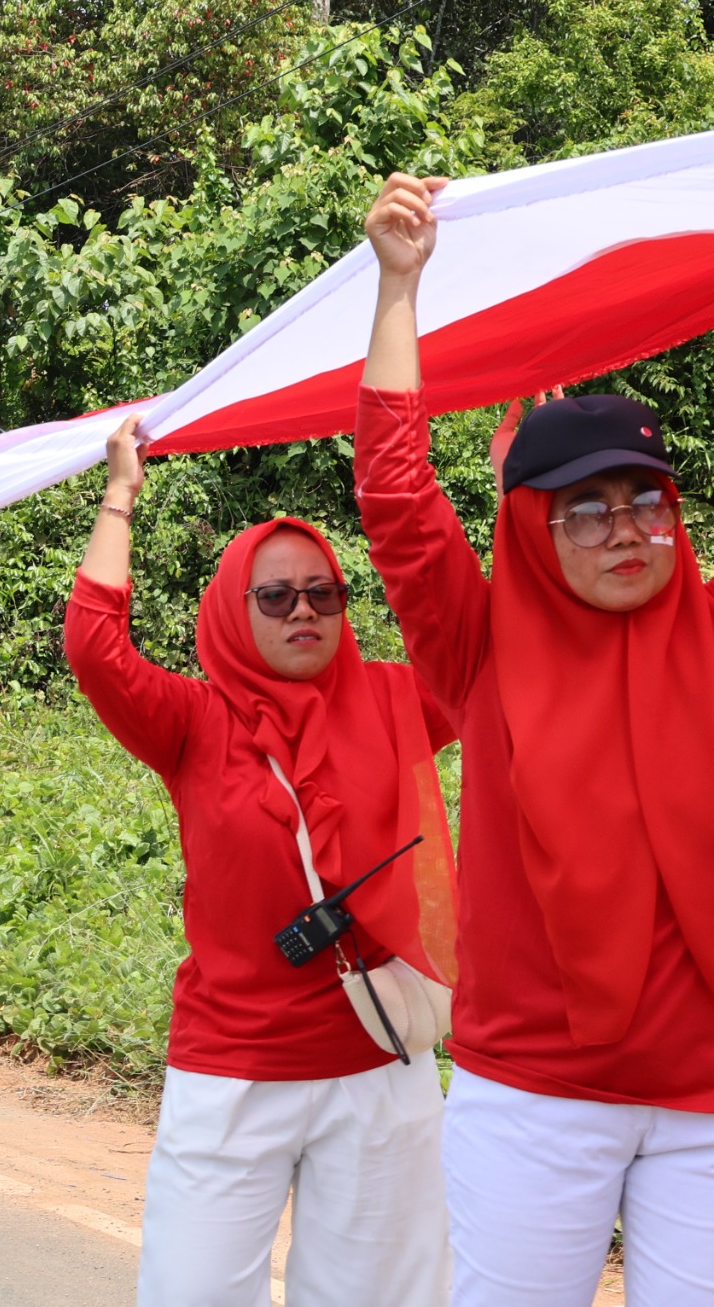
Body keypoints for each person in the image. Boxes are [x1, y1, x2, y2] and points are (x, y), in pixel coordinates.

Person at [354, 171, 714, 1305]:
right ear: (530, 525)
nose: (624, 530)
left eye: (644, 500)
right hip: (536, 1098)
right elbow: (398, 500)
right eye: (586, 507)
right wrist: (398, 287)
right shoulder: (481, 647)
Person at [67, 414, 457, 1306]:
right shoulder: (192, 721)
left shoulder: (397, 699)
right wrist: (120, 494)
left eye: (324, 592)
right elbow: (95, 647)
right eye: (276, 596)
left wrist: (523, 492)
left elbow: (488, 643)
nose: (305, 611)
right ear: (233, 609)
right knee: (191, 1292)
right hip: (231, 1071)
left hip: (377, 1063)